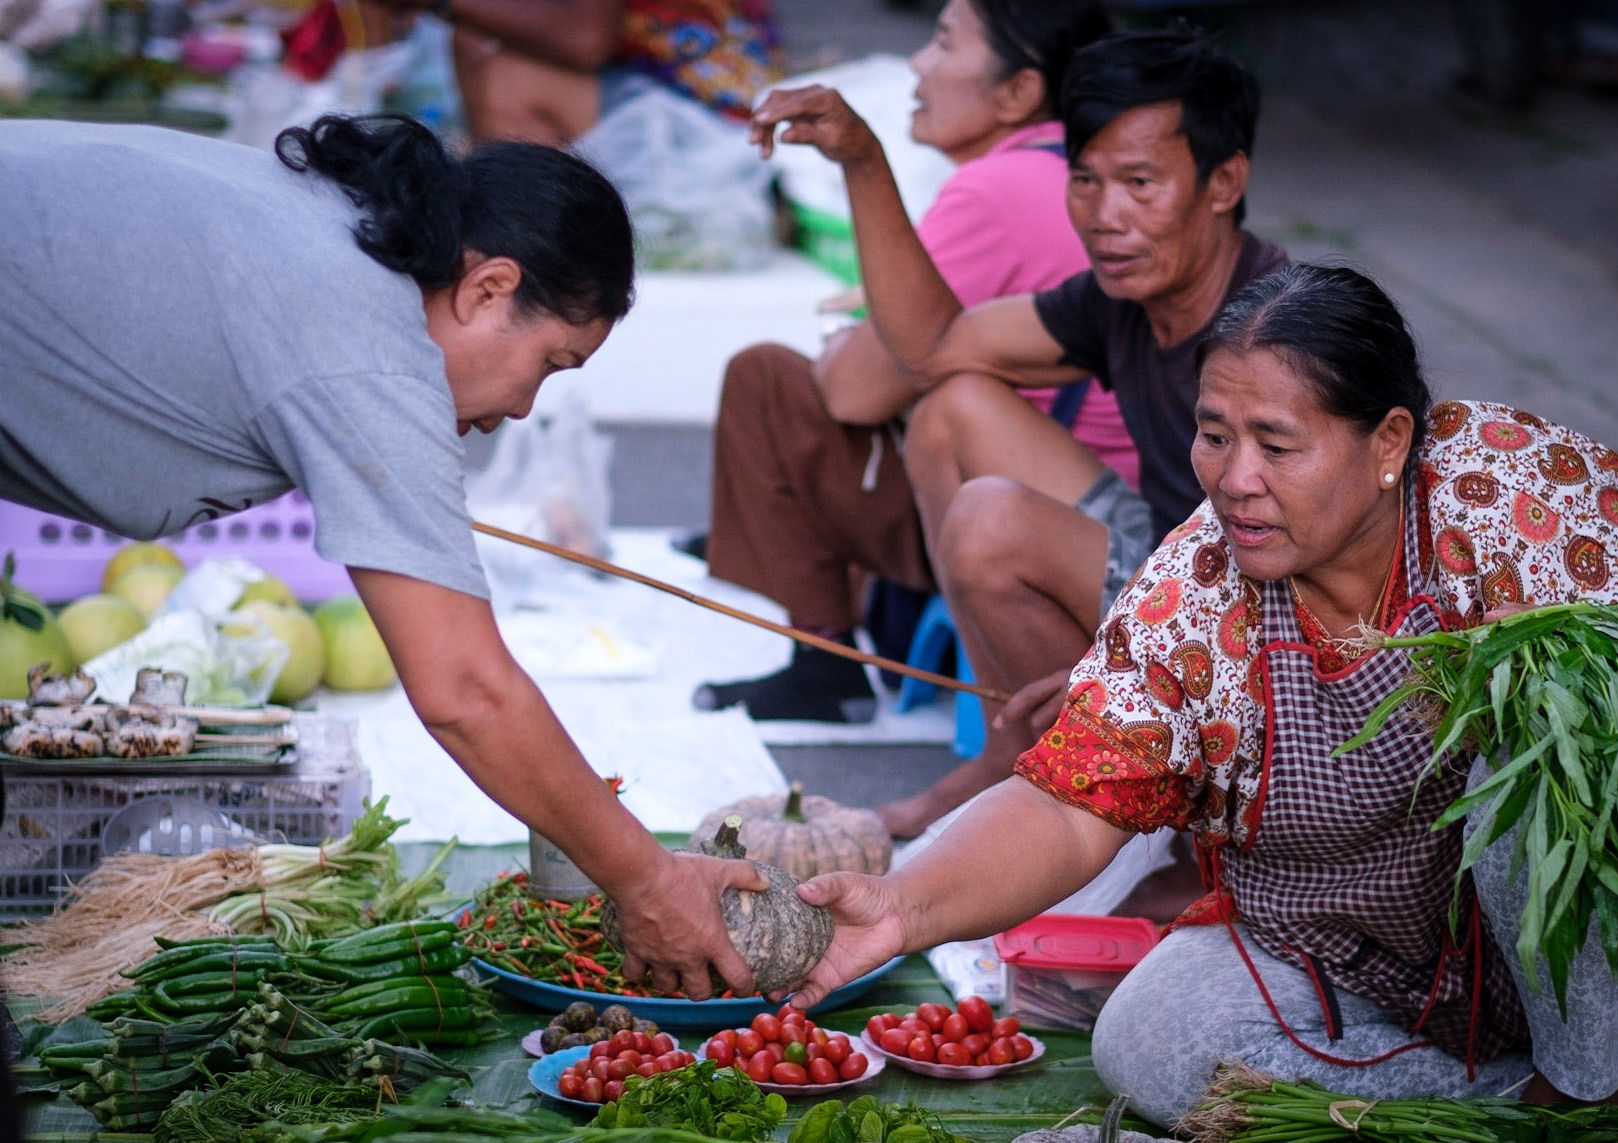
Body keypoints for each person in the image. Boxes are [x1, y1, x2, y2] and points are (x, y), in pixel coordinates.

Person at [781, 264, 1618, 1123]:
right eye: (1214, 435)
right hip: (1348, 951)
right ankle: (1515, 1098)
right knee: (1148, 1043)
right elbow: (1068, 808)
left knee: (1559, 756)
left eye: (1276, 443)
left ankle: (1586, 1072)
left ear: (1389, 440)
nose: (1235, 482)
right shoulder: (1197, 587)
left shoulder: (1512, 498)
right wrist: (907, 902)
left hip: (1555, 939)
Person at [0, 113, 765, 999]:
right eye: (551, 363)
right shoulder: (369, 345)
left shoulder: (344, 238)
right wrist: (648, 879)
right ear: (488, 287)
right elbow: (466, 690)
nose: (522, 407)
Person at [750, 28, 1287, 837]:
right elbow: (933, 348)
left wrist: (1153, 662)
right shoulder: (1121, 298)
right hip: (1179, 566)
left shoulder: (1280, 328)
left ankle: (1147, 802)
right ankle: (1035, 751)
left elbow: (1316, 579)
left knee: (991, 521)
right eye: (1086, 180)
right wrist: (863, 159)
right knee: (952, 408)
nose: (1106, 217)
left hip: (1266, 624)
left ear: (1224, 183)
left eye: (1141, 183)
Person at [693, 0, 1122, 725]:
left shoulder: (995, 191)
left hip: (1046, 513)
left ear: (1017, 92)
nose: (919, 64)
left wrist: (848, 343)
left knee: (770, 381)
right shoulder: (1067, 170)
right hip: (1096, 497)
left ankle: (823, 658)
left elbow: (856, 392)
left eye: (945, 43)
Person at [363, 0, 781, 146]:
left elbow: (586, 40)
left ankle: (533, 244)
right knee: (476, 39)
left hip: (719, 116)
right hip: (648, 83)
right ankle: (523, 228)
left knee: (511, 79)